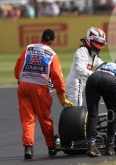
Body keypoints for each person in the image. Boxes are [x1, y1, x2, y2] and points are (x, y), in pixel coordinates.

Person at [14, 29, 74, 159]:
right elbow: (57, 78)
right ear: (52, 40)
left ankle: (28, 148)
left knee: (27, 119)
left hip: (23, 86)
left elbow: (18, 67)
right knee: (44, 118)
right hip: (39, 89)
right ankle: (51, 146)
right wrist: (62, 98)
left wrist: (20, 79)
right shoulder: (52, 54)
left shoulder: (28, 48)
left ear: (41, 38)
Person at [85, 58, 116, 157]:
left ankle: (91, 146)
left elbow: (98, 75)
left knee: (92, 113)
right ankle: (109, 146)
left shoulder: (105, 64)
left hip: (92, 78)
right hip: (109, 80)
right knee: (112, 112)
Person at [65, 27, 106, 106]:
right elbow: (80, 69)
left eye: (101, 41)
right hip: (74, 85)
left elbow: (102, 65)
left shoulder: (93, 54)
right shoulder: (82, 51)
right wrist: (95, 75)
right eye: (96, 41)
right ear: (89, 38)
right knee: (75, 110)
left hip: (79, 86)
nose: (98, 44)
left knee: (74, 110)